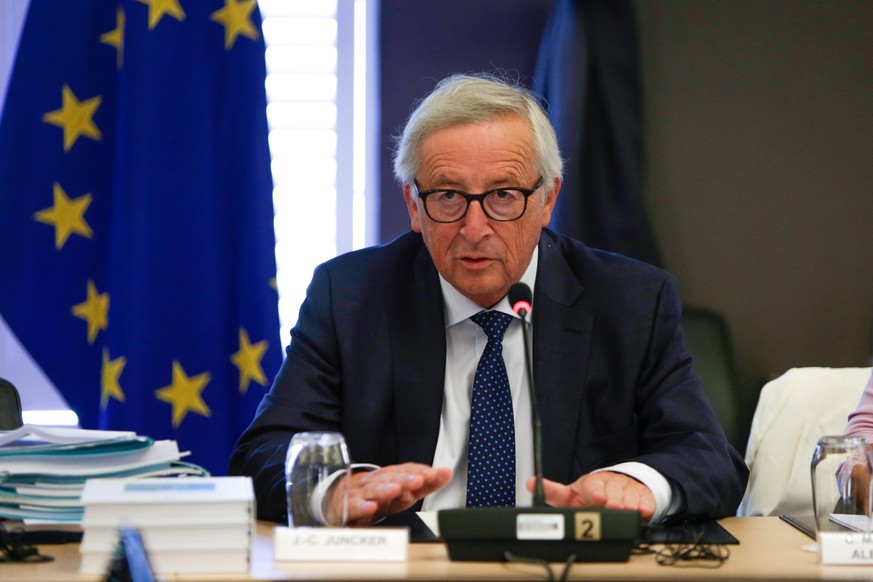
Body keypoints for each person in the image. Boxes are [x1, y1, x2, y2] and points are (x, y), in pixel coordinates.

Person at [229, 73, 748, 527]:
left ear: (547, 199)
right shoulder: (350, 295)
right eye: (449, 196)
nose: (475, 229)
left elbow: (709, 458)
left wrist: (634, 484)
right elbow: (264, 453)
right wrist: (335, 490)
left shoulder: (630, 300)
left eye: (503, 194)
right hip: (409, 567)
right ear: (414, 204)